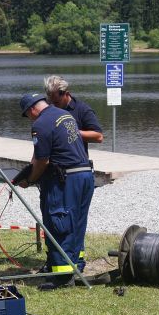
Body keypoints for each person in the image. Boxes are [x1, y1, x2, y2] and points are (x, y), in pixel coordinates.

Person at [18, 93, 94, 290]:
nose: (30, 119)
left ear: (31, 109)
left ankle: (62, 277)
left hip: (66, 179)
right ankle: (77, 266)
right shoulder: (64, 115)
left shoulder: (40, 124)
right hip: (85, 174)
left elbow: (43, 160)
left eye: (28, 115)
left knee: (59, 221)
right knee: (76, 222)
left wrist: (30, 179)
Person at [44, 75, 103, 271]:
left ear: (65, 94)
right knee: (62, 219)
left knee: (75, 218)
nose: (53, 104)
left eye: (56, 100)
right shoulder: (49, 110)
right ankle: (64, 259)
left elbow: (98, 135)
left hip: (77, 170)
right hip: (57, 171)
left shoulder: (82, 109)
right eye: (49, 100)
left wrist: (70, 131)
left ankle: (76, 260)